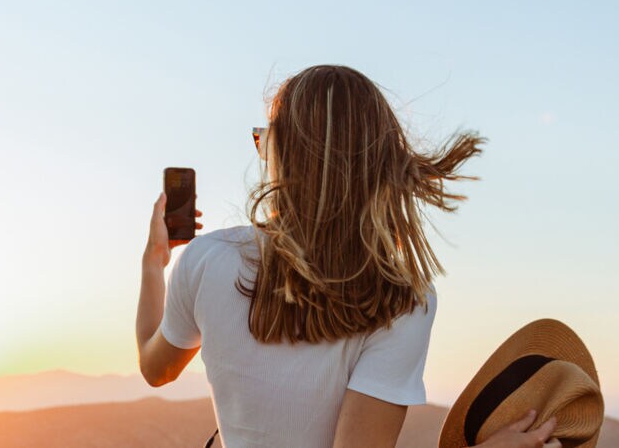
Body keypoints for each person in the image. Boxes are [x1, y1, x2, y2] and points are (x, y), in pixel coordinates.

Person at [135, 64, 555, 448]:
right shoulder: (401, 301)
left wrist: (154, 263)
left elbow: (157, 369)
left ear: (287, 156)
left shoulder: (207, 260)